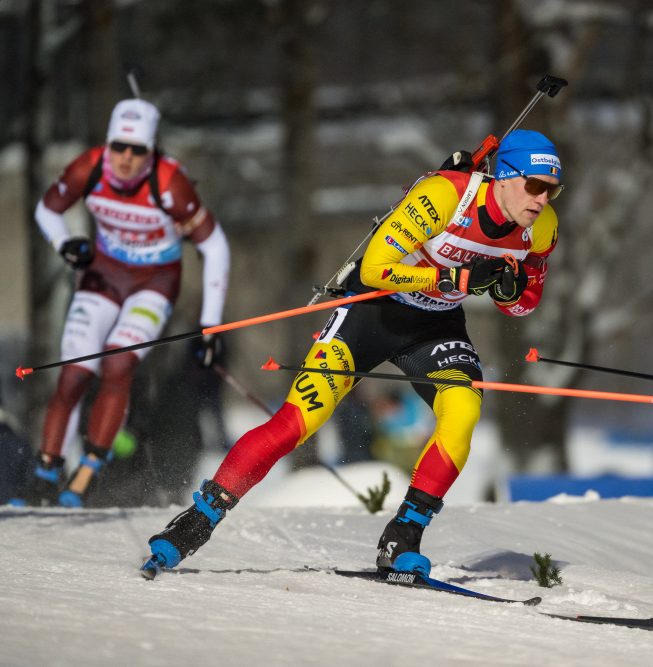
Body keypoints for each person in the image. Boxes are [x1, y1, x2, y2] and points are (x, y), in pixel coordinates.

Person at [141, 129, 562, 576]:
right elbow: (378, 268)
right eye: (534, 185)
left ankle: (402, 539)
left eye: (552, 189)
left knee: (463, 412)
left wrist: (506, 287)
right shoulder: (443, 197)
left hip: (435, 328)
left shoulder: (543, 227)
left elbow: (522, 305)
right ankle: (196, 522)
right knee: (297, 423)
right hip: (372, 313)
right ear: (503, 176)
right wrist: (456, 280)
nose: (541, 198)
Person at [18, 98, 230, 508]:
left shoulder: (169, 184)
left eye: (138, 150)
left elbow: (215, 246)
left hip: (154, 286)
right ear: (108, 144)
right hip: (102, 280)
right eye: (119, 146)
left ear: (152, 152)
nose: (126, 158)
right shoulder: (90, 167)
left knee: (118, 362)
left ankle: (87, 474)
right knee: (72, 373)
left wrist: (210, 323)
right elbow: (47, 210)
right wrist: (66, 245)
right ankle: (47, 472)